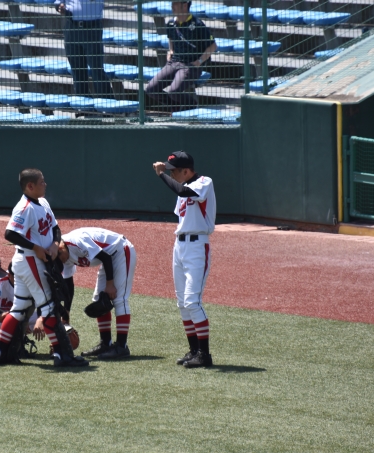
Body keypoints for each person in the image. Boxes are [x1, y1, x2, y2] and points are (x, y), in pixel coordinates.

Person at [0, 168, 88, 367]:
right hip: (30, 261)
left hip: (29, 262)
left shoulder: (43, 202)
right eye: (41, 182)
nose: (45, 184)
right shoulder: (25, 207)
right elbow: (10, 234)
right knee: (49, 307)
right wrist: (36, 247)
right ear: (30, 186)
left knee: (20, 308)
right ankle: (63, 355)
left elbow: (55, 227)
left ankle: (2, 352)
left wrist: (54, 244)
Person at [152, 151, 216, 368]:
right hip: (179, 247)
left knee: (192, 301)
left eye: (175, 171)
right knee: (182, 303)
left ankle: (205, 355)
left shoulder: (204, 182)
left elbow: (183, 190)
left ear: (187, 171)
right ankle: (194, 350)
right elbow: (181, 194)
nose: (172, 174)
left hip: (197, 247)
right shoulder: (182, 190)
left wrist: (161, 175)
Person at [57, 227, 136, 359]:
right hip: (110, 258)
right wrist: (66, 314)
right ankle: (106, 343)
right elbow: (68, 285)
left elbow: (105, 257)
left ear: (60, 249)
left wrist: (110, 284)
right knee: (99, 299)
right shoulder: (62, 254)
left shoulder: (77, 242)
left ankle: (122, 346)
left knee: (119, 298)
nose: (61, 263)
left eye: (59, 259)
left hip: (122, 250)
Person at [145, 1, 217, 111]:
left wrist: (199, 61)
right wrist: (171, 50)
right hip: (174, 62)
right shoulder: (171, 23)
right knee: (151, 89)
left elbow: (213, 46)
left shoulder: (197, 24)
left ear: (184, 5)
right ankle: (175, 107)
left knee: (174, 91)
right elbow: (171, 38)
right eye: (172, 3)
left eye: (175, 4)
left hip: (190, 65)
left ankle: (192, 105)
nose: (172, 6)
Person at [56, 0, 114, 98]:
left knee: (96, 69)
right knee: (77, 70)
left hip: (91, 28)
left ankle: (107, 103)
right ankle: (83, 102)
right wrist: (59, 6)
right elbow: (58, 2)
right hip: (71, 26)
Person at [0, 263, 38, 348]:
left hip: (15, 314)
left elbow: (39, 306)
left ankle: (17, 339)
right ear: (9, 275)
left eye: (22, 277)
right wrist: (14, 320)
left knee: (43, 318)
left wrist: (38, 320)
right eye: (17, 277)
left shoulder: (29, 281)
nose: (20, 280)